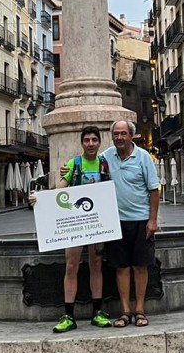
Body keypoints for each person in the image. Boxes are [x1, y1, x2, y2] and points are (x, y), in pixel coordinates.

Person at [47, 126, 113, 333]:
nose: (91, 144)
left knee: (96, 264)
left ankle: (97, 313)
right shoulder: (73, 164)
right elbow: (61, 188)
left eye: (94, 140)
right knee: (71, 265)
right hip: (75, 223)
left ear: (100, 142)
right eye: (87, 140)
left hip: (97, 222)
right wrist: (41, 200)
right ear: (82, 143)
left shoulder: (105, 164)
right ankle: (68, 315)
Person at [99, 119, 160, 327]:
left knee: (140, 266)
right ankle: (125, 311)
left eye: (123, 133)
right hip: (116, 222)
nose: (119, 137)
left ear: (131, 135)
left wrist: (153, 220)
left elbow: (154, 190)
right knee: (121, 268)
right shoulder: (106, 157)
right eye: (116, 134)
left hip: (141, 221)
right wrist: (66, 171)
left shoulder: (143, 157)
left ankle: (140, 310)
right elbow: (86, 168)